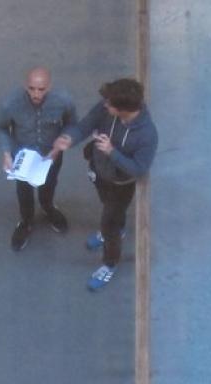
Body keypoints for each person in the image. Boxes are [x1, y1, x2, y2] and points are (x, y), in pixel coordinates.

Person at [51, 78, 158, 291]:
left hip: (121, 183)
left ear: (122, 110)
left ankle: (110, 262)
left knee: (108, 223)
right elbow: (86, 124)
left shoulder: (147, 135)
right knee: (104, 202)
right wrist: (69, 139)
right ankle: (117, 227)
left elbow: (138, 169)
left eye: (109, 104)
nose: (104, 105)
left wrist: (112, 152)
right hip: (100, 171)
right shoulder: (106, 107)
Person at [0, 66, 76, 251]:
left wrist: (63, 140)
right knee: (23, 190)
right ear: (25, 85)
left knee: (49, 184)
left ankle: (48, 207)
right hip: (21, 156)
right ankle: (26, 220)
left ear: (50, 86)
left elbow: (72, 124)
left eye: (41, 89)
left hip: (50, 155)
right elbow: (1, 128)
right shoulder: (10, 103)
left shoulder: (63, 100)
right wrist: (7, 153)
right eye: (31, 88)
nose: (36, 94)